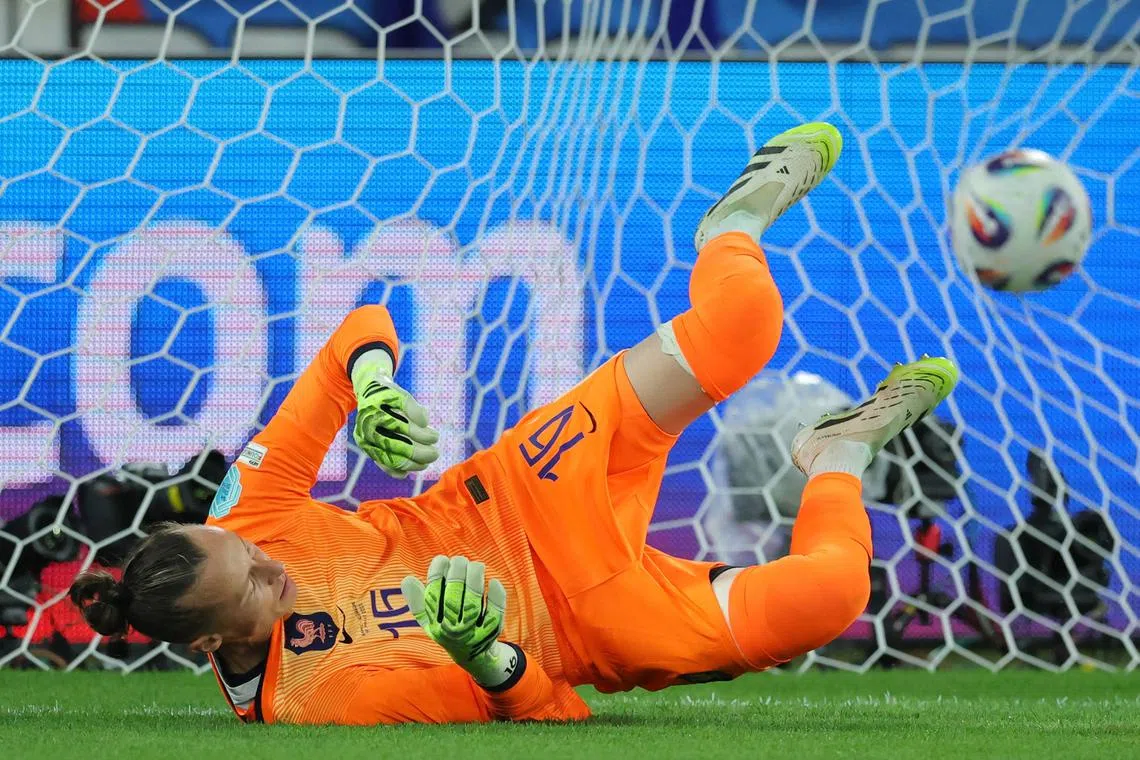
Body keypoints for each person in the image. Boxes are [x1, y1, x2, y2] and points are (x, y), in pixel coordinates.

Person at [69, 122, 959, 725]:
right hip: (589, 625)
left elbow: (358, 331)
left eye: (255, 552)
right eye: (261, 583)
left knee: (744, 326)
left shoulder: (247, 517)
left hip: (521, 493)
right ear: (220, 640)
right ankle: (836, 452)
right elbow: (551, 714)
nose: (274, 560)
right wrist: (486, 652)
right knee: (833, 597)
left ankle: (733, 224)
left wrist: (375, 390)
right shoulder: (331, 698)